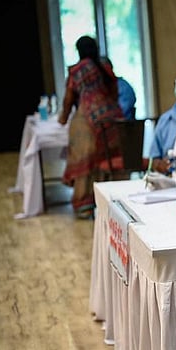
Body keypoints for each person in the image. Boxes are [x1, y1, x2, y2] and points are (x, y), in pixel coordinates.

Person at [57, 35, 126, 219]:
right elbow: (114, 92)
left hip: (86, 120)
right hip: (111, 118)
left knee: (85, 161)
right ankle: (111, 199)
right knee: (109, 159)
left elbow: (68, 99)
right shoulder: (105, 67)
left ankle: (84, 204)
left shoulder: (76, 70)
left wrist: (63, 118)